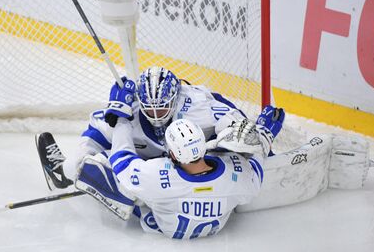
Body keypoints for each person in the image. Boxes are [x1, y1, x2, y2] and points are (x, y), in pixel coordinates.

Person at [35, 66, 284, 192]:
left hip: (193, 162)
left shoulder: (197, 103)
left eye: (162, 108)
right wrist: (115, 117)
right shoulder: (128, 110)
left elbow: (235, 123)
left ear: (175, 98)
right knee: (75, 165)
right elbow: (95, 133)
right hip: (148, 166)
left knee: (239, 148)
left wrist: (259, 137)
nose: (156, 116)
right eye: (149, 109)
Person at [97, 116, 274, 239]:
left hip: (162, 227)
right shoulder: (237, 173)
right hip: (215, 229)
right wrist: (262, 136)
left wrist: (122, 121)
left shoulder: (157, 175)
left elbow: (121, 161)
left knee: (104, 162)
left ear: (172, 155)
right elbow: (256, 171)